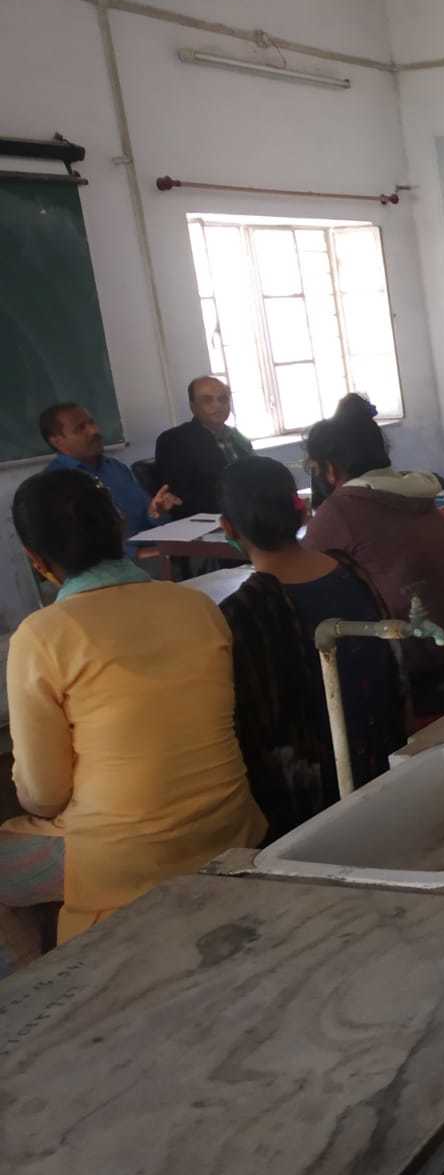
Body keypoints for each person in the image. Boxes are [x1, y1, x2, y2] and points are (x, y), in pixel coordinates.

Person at [0, 470, 264, 974]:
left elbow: (43, 796)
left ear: (36, 560)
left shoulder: (42, 636)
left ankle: (46, 991)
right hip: (229, 828)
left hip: (128, 859)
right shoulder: (196, 606)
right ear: (120, 525)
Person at [218, 457, 404, 841]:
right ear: (300, 510)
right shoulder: (348, 569)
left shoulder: (245, 612)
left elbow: (251, 726)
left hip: (309, 797)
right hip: (386, 755)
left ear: (228, 528)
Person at [302, 405, 444, 691]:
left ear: (330, 469)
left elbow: (299, 566)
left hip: (440, 672)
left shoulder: (339, 510)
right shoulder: (414, 492)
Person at [41, 401, 180, 552]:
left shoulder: (116, 467)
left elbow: (150, 516)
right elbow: (78, 545)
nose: (94, 430)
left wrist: (157, 512)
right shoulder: (54, 483)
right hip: (118, 562)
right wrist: (138, 553)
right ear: (57, 441)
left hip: (156, 550)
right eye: (80, 428)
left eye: (92, 423)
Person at [154, 375, 255, 518]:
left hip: (252, 515)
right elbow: (181, 496)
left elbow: (256, 477)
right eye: (207, 400)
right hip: (211, 519)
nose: (217, 405)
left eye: (223, 399)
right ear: (193, 406)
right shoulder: (174, 440)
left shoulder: (237, 436)